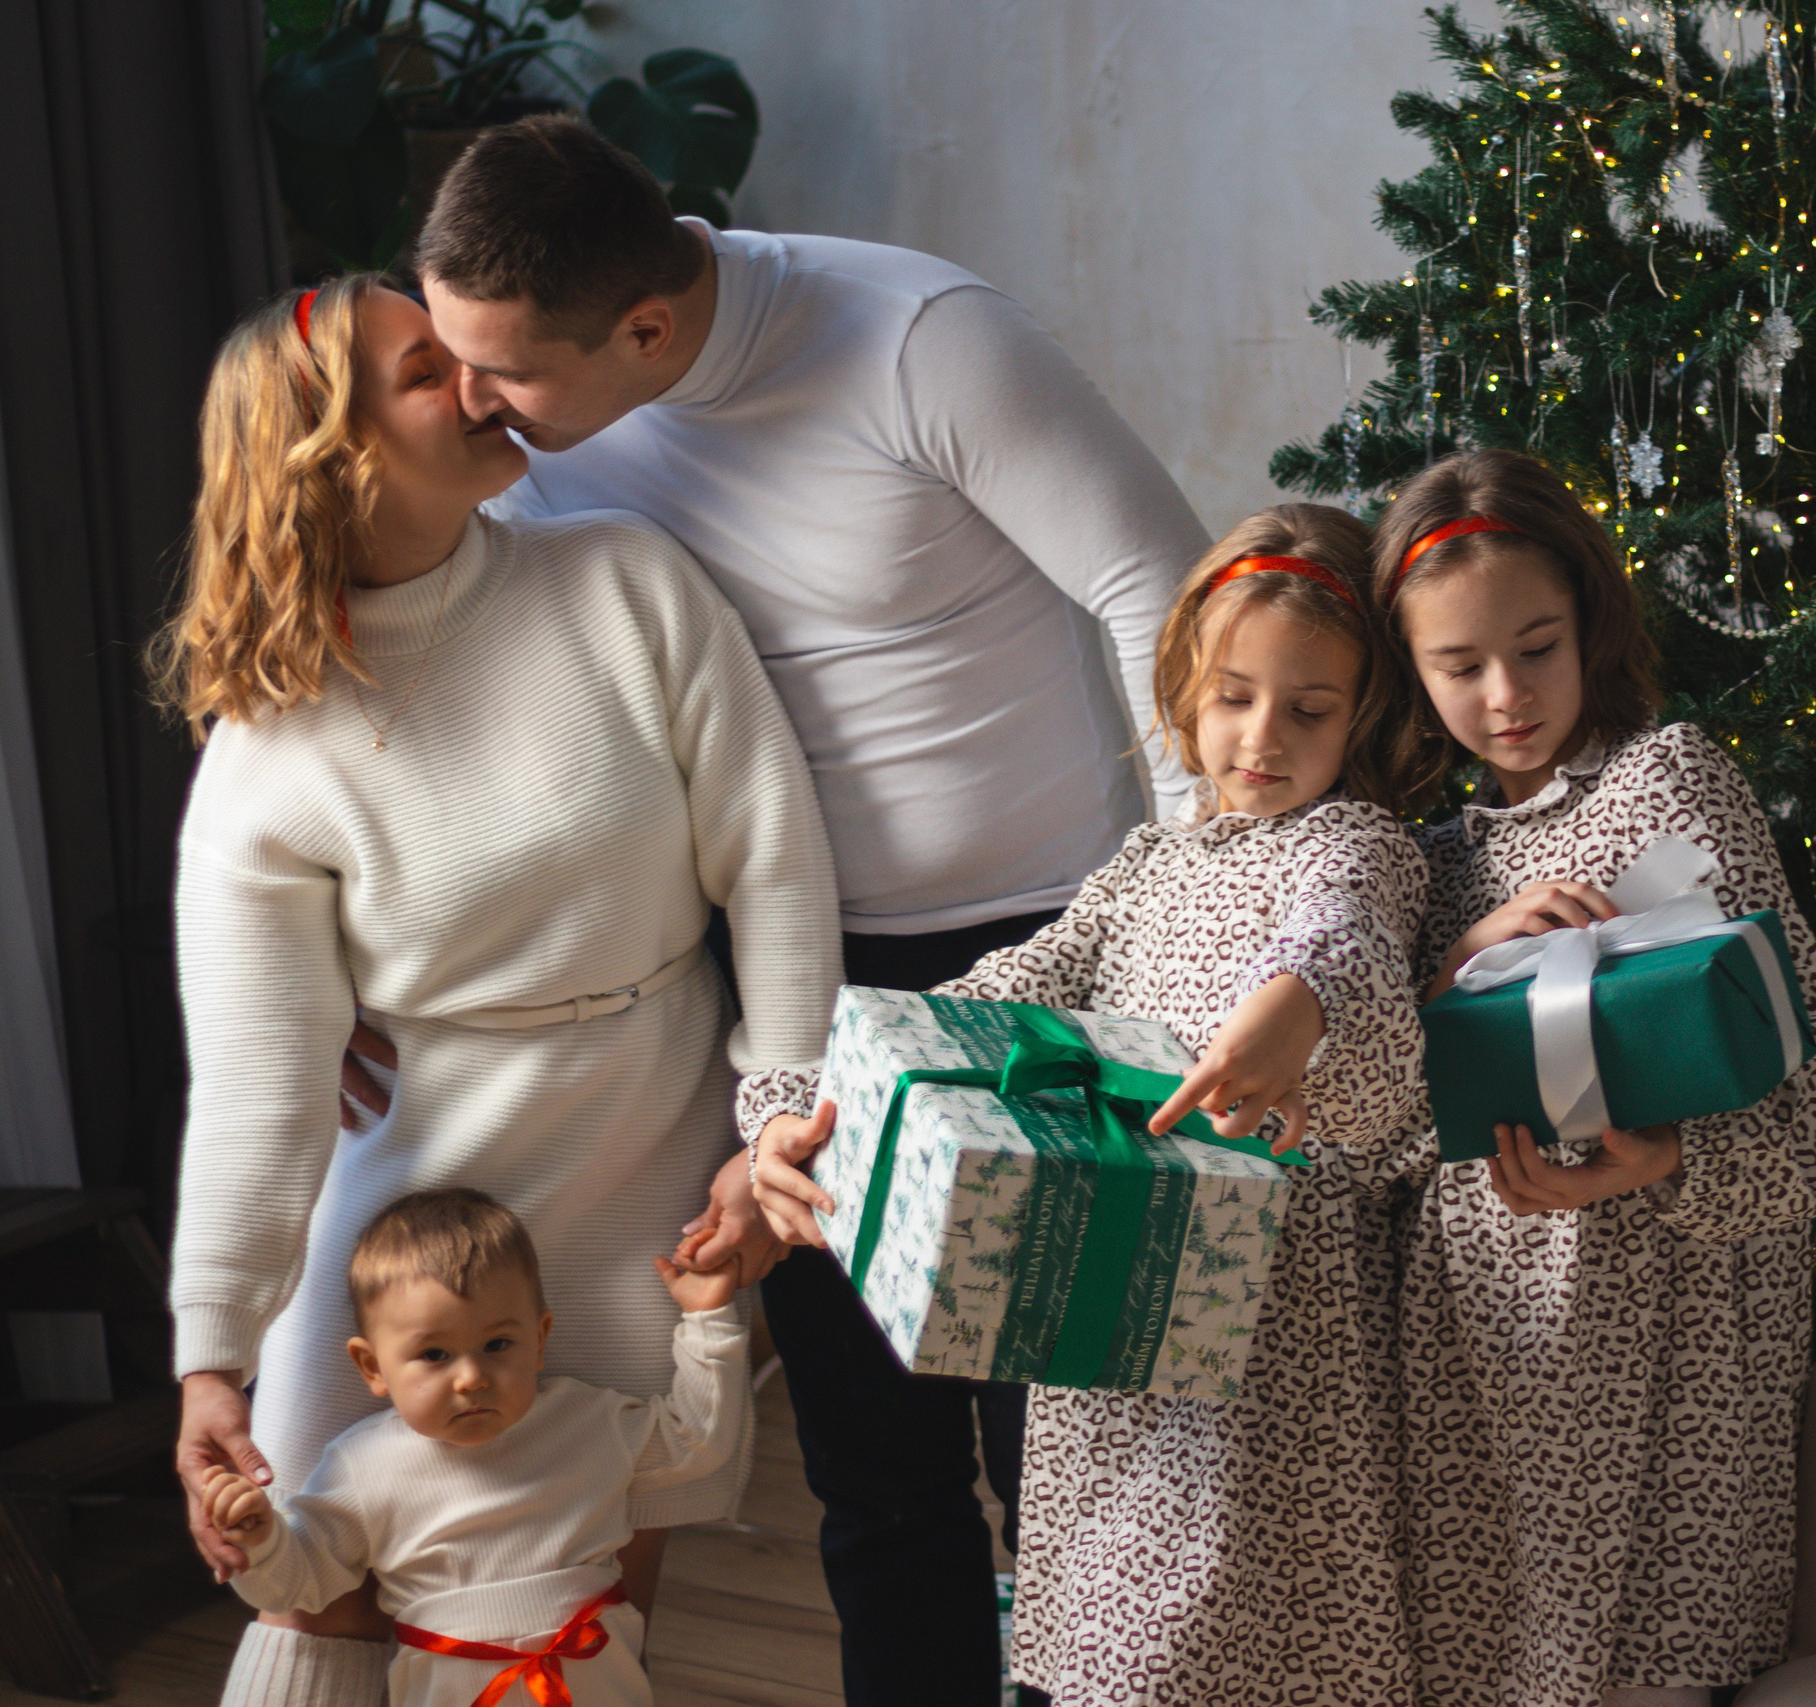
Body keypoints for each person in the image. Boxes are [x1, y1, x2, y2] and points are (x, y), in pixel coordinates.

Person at [398, 114, 1209, 1707]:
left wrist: (1187, 916)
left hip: (1036, 961)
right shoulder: (545, 434)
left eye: (506, 375)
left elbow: (1159, 588)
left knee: (1078, 1469)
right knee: (875, 1467)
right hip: (787, 989)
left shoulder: (922, 341)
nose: (472, 405)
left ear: (643, 327)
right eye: (450, 361)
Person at [158, 274, 837, 1707]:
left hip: (647, 1153)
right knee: (322, 1617)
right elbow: (260, 1086)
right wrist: (211, 1354)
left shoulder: (621, 578)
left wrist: (770, 1117)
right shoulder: (268, 752)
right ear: (333, 455)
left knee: (569, 1614)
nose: (479, 376)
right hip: (407, 1205)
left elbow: (773, 860)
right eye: (425, 367)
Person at [742, 504, 1436, 1706]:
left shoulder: (1359, 846)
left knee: (1233, 1649)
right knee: (1101, 1646)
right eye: (1231, 697)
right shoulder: (1144, 868)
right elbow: (993, 991)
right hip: (1103, 1343)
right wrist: (797, 1099)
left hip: (1271, 1350)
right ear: (1180, 693)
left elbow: (1352, 943)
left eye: (1309, 710)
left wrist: (1302, 1001)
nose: (1260, 737)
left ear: (1361, 715)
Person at [1372, 449, 1816, 1705]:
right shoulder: (1416, 866)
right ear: (1409, 675)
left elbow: (1814, 1070)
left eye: (1536, 647)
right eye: (1459, 666)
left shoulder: (1670, 782)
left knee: (1646, 1679)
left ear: (1590, 620)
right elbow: (1375, 1127)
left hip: (1668, 1352)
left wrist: (1670, 1161)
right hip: (1485, 1360)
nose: (1506, 695)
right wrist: (1462, 965)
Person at [203, 1189, 750, 1707]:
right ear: (373, 1367)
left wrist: (708, 1321)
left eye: (497, 1345)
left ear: (540, 1339)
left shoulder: (589, 1421)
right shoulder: (363, 1467)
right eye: (435, 1354)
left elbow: (695, 1441)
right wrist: (262, 1539)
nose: (471, 1378)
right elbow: (299, 1585)